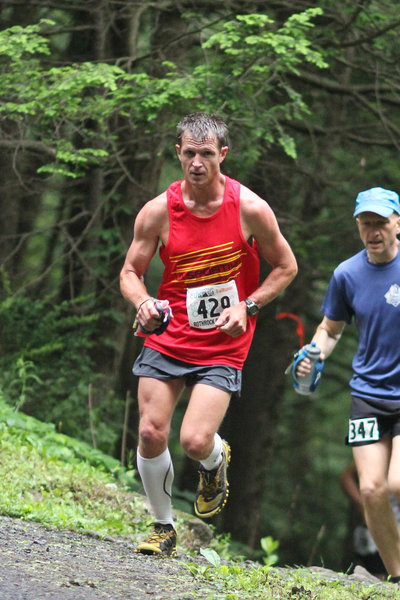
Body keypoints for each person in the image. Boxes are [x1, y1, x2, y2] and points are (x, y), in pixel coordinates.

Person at [120, 112, 298, 557]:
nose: (197, 163)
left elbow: (286, 267)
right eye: (189, 153)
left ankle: (215, 462)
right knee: (149, 432)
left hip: (224, 338)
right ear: (177, 153)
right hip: (170, 329)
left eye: (206, 154)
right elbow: (129, 272)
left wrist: (248, 304)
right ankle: (163, 528)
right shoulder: (159, 210)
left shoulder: (250, 209)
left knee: (196, 441)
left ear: (222, 154)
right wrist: (143, 303)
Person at [295, 187, 400, 583]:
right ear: (357, 225)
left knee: (397, 483)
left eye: (380, 223)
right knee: (372, 490)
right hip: (368, 395)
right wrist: (315, 354)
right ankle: (397, 577)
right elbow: (330, 329)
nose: (373, 231)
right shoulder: (347, 274)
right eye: (365, 224)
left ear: (398, 224)